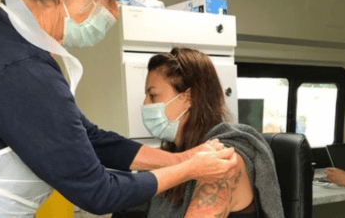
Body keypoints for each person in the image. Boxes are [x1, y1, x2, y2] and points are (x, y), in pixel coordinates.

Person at [0, 0, 238, 217]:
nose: (113, 13)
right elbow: (99, 193)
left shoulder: (0, 36)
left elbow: (90, 138)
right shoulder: (21, 69)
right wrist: (190, 169)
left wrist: (180, 160)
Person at [114, 47, 284, 218]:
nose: (145, 103)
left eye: (153, 95)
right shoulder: (171, 156)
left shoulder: (224, 159)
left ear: (188, 98)